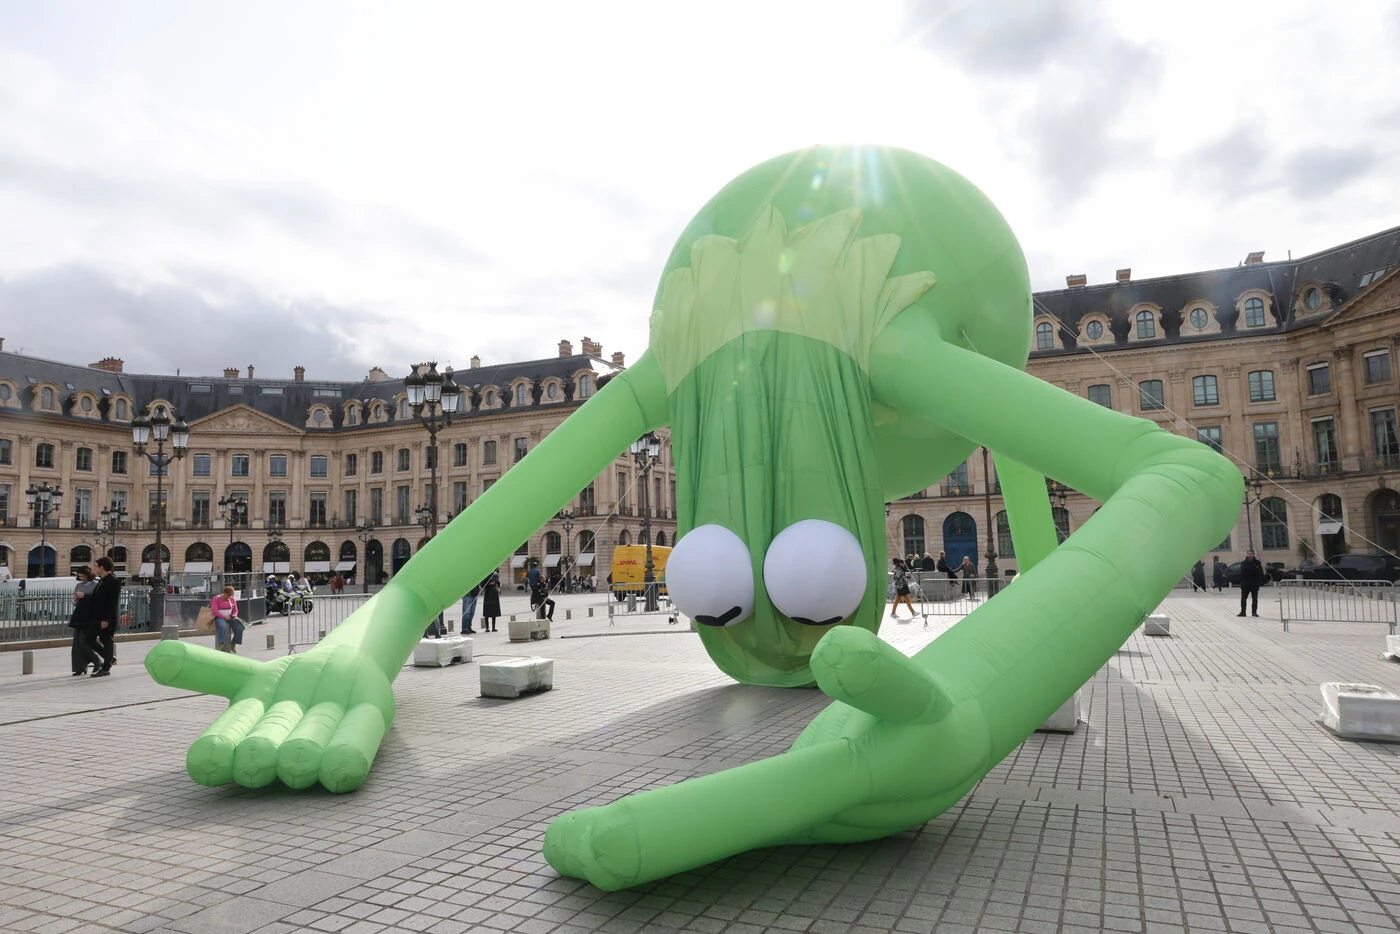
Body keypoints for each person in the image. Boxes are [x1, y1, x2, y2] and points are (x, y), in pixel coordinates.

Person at [89, 556, 123, 677]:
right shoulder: (101, 581)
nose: (94, 568)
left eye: (96, 566)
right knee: (89, 638)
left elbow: (112, 603)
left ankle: (106, 668)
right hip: (97, 617)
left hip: (107, 618)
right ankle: (109, 658)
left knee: (106, 640)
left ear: (102, 567)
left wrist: (106, 619)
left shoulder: (113, 582)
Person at [69, 566, 102, 676]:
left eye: (83, 576)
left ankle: (97, 660)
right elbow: (75, 602)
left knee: (83, 641)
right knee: (76, 642)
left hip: (90, 617)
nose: (81, 578)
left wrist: (85, 596)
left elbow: (98, 600)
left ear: (89, 575)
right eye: (79, 576)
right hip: (79, 615)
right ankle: (79, 667)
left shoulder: (96, 585)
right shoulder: (78, 585)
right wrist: (75, 599)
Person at [210, 586, 245, 653]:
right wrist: (224, 617)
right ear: (224, 593)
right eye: (228, 595)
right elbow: (214, 611)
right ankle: (221, 643)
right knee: (223, 626)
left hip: (230, 617)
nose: (229, 597)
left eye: (231, 595)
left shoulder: (232, 599)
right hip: (219, 617)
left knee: (240, 627)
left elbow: (235, 610)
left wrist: (234, 615)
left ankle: (233, 643)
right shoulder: (216, 598)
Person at [1238, 549, 1265, 617]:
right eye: (1248, 553)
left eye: (1251, 553)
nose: (1250, 555)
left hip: (1254, 584)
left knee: (1255, 599)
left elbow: (1260, 572)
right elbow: (1242, 573)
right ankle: (1243, 612)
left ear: (1253, 554)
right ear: (1247, 554)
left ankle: (1254, 612)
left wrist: (1260, 581)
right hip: (1245, 584)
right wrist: (1241, 583)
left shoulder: (1257, 562)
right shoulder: (1243, 563)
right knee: (1243, 599)